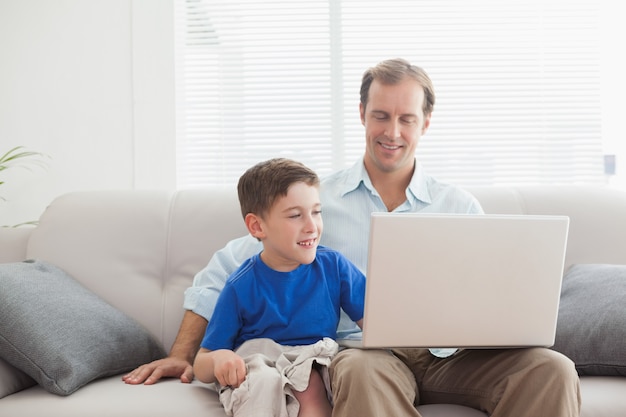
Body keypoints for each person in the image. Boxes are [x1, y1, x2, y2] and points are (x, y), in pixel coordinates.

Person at [124, 58, 581, 417]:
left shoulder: (459, 205)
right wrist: (184, 356)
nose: (392, 131)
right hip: (367, 357)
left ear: (426, 122)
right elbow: (224, 273)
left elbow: (493, 289)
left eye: (406, 118)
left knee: (553, 369)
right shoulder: (316, 205)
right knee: (360, 369)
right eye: (381, 115)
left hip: (455, 357)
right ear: (362, 114)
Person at [192, 158, 366, 417]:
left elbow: (376, 325)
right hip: (259, 363)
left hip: (312, 362)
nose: (311, 226)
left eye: (316, 212)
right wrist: (220, 359)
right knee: (263, 380)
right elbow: (201, 363)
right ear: (257, 226)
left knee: (311, 383)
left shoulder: (334, 267)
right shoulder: (241, 285)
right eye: (296, 215)